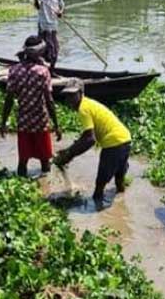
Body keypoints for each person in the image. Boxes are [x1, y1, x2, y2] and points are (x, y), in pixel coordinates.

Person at [54, 80, 132, 209]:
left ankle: (98, 210)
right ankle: (121, 209)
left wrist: (69, 154)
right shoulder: (88, 104)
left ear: (81, 93)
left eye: (73, 95)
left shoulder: (83, 108)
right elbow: (86, 136)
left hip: (113, 143)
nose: (69, 99)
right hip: (125, 139)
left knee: (100, 184)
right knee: (119, 178)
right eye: (67, 95)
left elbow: (89, 139)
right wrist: (70, 150)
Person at [0, 36, 61, 176]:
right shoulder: (42, 72)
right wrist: (56, 125)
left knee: (23, 160)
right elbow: (49, 101)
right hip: (40, 121)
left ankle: (22, 182)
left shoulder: (14, 71)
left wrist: (3, 122)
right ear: (39, 53)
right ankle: (46, 185)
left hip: (23, 121)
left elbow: (9, 99)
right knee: (45, 160)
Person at [33, 0, 64, 71]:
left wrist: (60, 12)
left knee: (55, 48)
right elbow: (37, 7)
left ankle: (52, 69)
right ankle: (42, 70)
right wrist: (36, 0)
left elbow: (62, 6)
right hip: (44, 24)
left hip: (54, 24)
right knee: (44, 48)